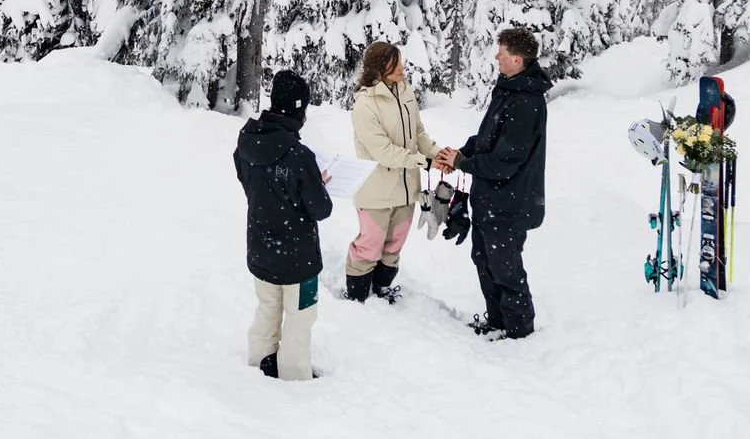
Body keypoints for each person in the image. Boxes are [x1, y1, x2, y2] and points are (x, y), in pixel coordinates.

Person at [434, 27, 550, 340]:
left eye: (501, 53)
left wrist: (463, 163)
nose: (496, 57)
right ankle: (497, 321)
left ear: (516, 59)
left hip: (509, 203)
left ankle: (519, 331)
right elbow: (487, 138)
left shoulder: (526, 103)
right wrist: (462, 152)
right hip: (490, 200)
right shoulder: (508, 89)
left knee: (505, 269)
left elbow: (505, 161)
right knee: (484, 260)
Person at [235, 68, 334, 381]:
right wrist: (317, 183)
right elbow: (321, 209)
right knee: (300, 317)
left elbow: (249, 180)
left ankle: (259, 363)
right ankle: (293, 376)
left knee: (267, 308)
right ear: (298, 109)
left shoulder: (247, 143)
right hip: (299, 260)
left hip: (261, 248)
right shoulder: (298, 156)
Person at [344, 41, 440, 303]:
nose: (402, 68)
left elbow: (418, 132)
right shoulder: (365, 105)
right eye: (395, 63)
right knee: (370, 245)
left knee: (394, 245)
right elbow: (383, 151)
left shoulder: (404, 90)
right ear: (378, 68)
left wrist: (436, 153)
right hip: (376, 192)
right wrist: (424, 162)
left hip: (407, 188)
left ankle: (381, 288)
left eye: (400, 61)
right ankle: (357, 296)